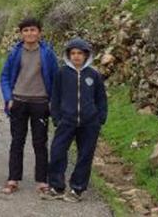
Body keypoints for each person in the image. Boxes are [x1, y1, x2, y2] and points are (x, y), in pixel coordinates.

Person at [42, 38, 107, 203]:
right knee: (57, 152)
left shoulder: (94, 75)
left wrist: (100, 118)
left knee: (85, 156)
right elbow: (55, 97)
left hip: (89, 123)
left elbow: (101, 99)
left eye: (80, 53)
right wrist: (57, 118)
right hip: (66, 121)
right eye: (73, 53)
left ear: (86, 55)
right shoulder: (62, 73)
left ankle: (77, 188)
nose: (76, 56)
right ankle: (56, 187)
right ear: (68, 55)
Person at [0, 18, 59, 195]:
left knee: (40, 143)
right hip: (18, 102)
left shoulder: (47, 53)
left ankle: (41, 180)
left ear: (40, 32)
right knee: (17, 141)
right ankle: (13, 179)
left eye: (33, 30)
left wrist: (52, 101)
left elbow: (55, 80)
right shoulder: (15, 53)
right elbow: (5, 77)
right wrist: (8, 98)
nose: (30, 33)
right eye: (26, 30)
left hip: (40, 103)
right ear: (21, 34)